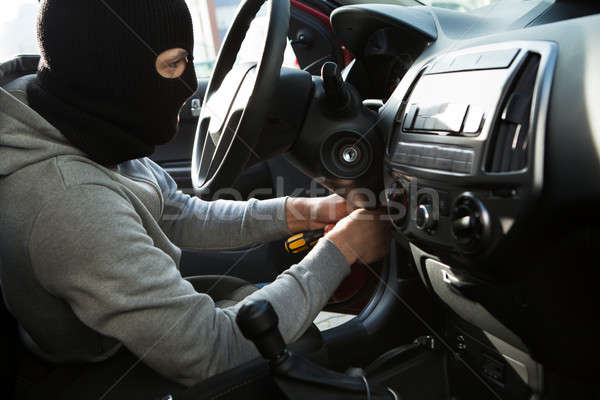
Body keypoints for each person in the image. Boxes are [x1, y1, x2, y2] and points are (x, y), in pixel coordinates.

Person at [0, 0, 390, 397]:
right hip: (99, 365)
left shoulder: (84, 125)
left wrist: (308, 211)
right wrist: (342, 250)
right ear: (114, 74)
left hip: (111, 332)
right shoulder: (71, 201)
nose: (187, 88)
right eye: (172, 65)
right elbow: (215, 352)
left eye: (188, 61)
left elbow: (177, 213)